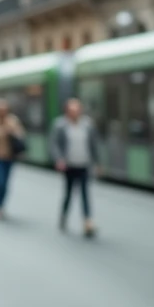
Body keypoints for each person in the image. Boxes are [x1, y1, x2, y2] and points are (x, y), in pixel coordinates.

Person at [51, 98, 101, 237]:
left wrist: (97, 163)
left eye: (77, 110)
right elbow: (55, 144)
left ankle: (87, 222)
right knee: (68, 194)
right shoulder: (60, 125)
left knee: (85, 194)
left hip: (84, 164)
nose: (75, 112)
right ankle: (64, 216)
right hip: (69, 166)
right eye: (72, 110)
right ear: (67, 111)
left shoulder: (87, 124)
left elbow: (93, 145)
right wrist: (59, 159)